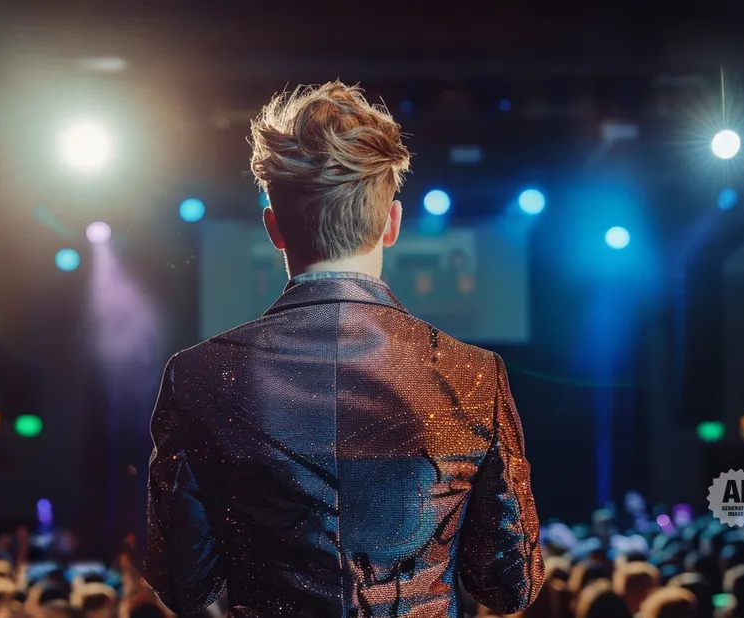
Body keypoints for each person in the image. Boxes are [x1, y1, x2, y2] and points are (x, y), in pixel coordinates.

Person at [145, 81, 544, 617]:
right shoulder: (472, 375)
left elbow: (182, 583)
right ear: (392, 223)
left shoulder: (198, 376)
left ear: (273, 229)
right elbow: (509, 584)